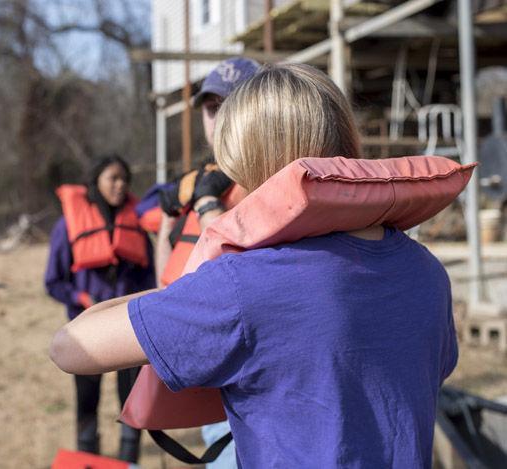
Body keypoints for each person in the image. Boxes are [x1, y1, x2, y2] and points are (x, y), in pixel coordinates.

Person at [49, 64, 458, 467]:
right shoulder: (426, 271)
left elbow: (70, 347)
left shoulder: (241, 287)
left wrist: (190, 287)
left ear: (247, 162)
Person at [156, 57, 258, 467]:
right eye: (212, 108)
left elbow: (242, 282)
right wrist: (167, 224)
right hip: (199, 372)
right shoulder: (194, 182)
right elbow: (166, 273)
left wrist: (209, 206)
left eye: (230, 107)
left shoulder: (268, 181)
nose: (219, 119)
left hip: (245, 382)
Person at [45, 155, 155, 463]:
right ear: (95, 182)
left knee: (132, 403)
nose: (120, 185)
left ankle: (128, 462)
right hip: (86, 331)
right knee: (87, 402)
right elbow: (53, 281)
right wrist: (81, 298)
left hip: (129, 327)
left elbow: (149, 276)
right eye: (113, 178)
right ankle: (87, 461)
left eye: (125, 179)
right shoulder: (68, 224)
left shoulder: (137, 223)